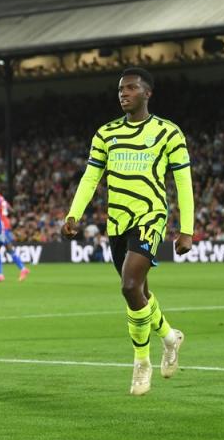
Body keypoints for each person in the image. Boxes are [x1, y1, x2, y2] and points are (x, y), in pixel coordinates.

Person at [63, 67, 193, 396]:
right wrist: (74, 213)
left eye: (131, 88)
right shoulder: (106, 134)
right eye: (121, 89)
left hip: (150, 217)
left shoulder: (169, 133)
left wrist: (187, 228)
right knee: (140, 295)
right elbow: (91, 177)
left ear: (147, 93)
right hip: (117, 223)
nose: (124, 93)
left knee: (129, 285)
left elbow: (183, 183)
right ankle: (169, 337)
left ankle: (141, 362)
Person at [0, 185, 29, 283]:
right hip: (2, 226)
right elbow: (11, 210)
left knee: (8, 248)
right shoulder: (2, 198)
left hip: (1, 228)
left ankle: (23, 269)